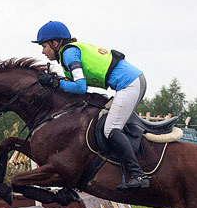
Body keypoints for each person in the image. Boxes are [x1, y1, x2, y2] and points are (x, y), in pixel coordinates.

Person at [32, 20, 150, 189]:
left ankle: (138, 175)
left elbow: (80, 87)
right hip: (132, 81)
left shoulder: (69, 54)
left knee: (110, 129)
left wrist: (55, 83)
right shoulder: (70, 52)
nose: (43, 51)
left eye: (44, 46)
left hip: (129, 84)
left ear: (55, 43)